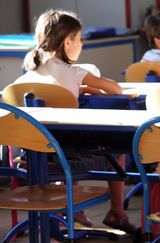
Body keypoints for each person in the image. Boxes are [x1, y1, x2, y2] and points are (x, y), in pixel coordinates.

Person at [14, 9, 136, 234]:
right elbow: (116, 89)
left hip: (32, 152)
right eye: (80, 39)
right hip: (67, 153)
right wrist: (87, 84)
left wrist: (80, 88)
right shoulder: (73, 71)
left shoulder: (31, 70)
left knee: (71, 137)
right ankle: (117, 213)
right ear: (68, 41)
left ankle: (73, 211)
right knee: (114, 149)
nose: (82, 45)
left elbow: (50, 90)